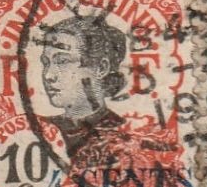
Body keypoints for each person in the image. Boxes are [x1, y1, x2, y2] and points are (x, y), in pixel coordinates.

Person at [37, 15, 137, 172]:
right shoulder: (35, 129)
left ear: (101, 68)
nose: (49, 75)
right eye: (46, 63)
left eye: (62, 61)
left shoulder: (129, 136)